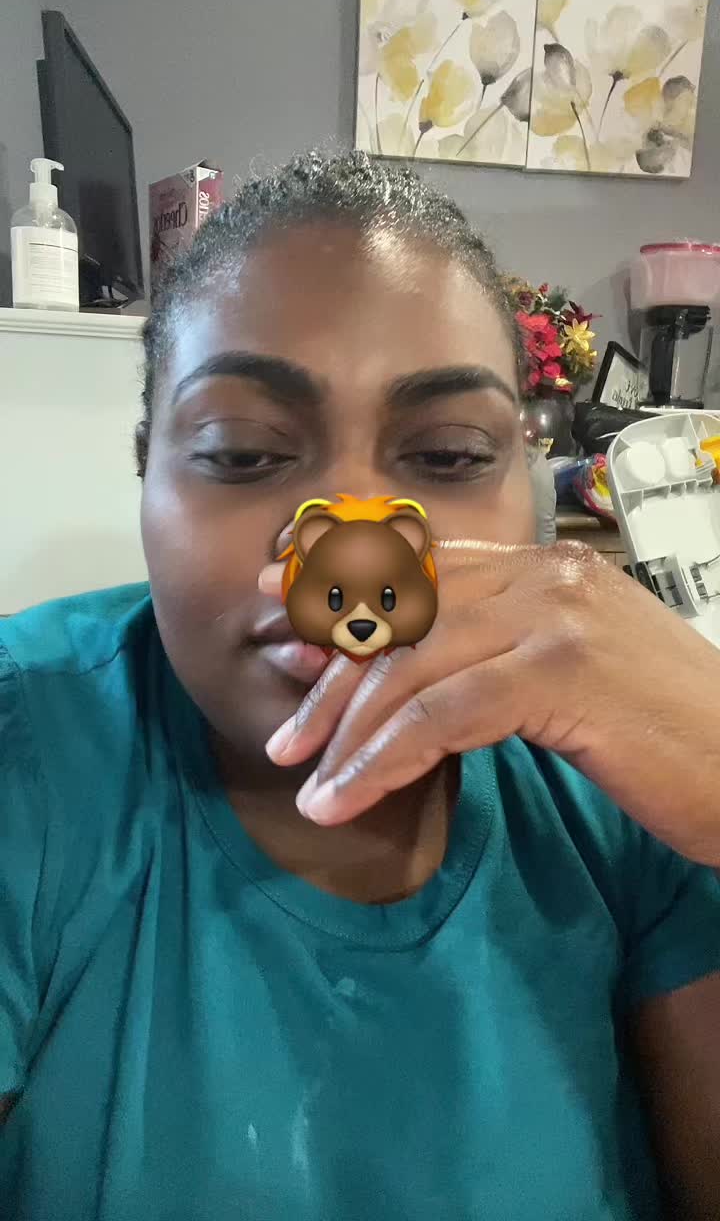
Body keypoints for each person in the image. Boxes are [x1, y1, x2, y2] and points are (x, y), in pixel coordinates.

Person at [1, 150, 719, 1221]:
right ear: (146, 464)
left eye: (448, 455)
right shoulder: (27, 746)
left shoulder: (624, 774)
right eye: (243, 453)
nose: (347, 550)